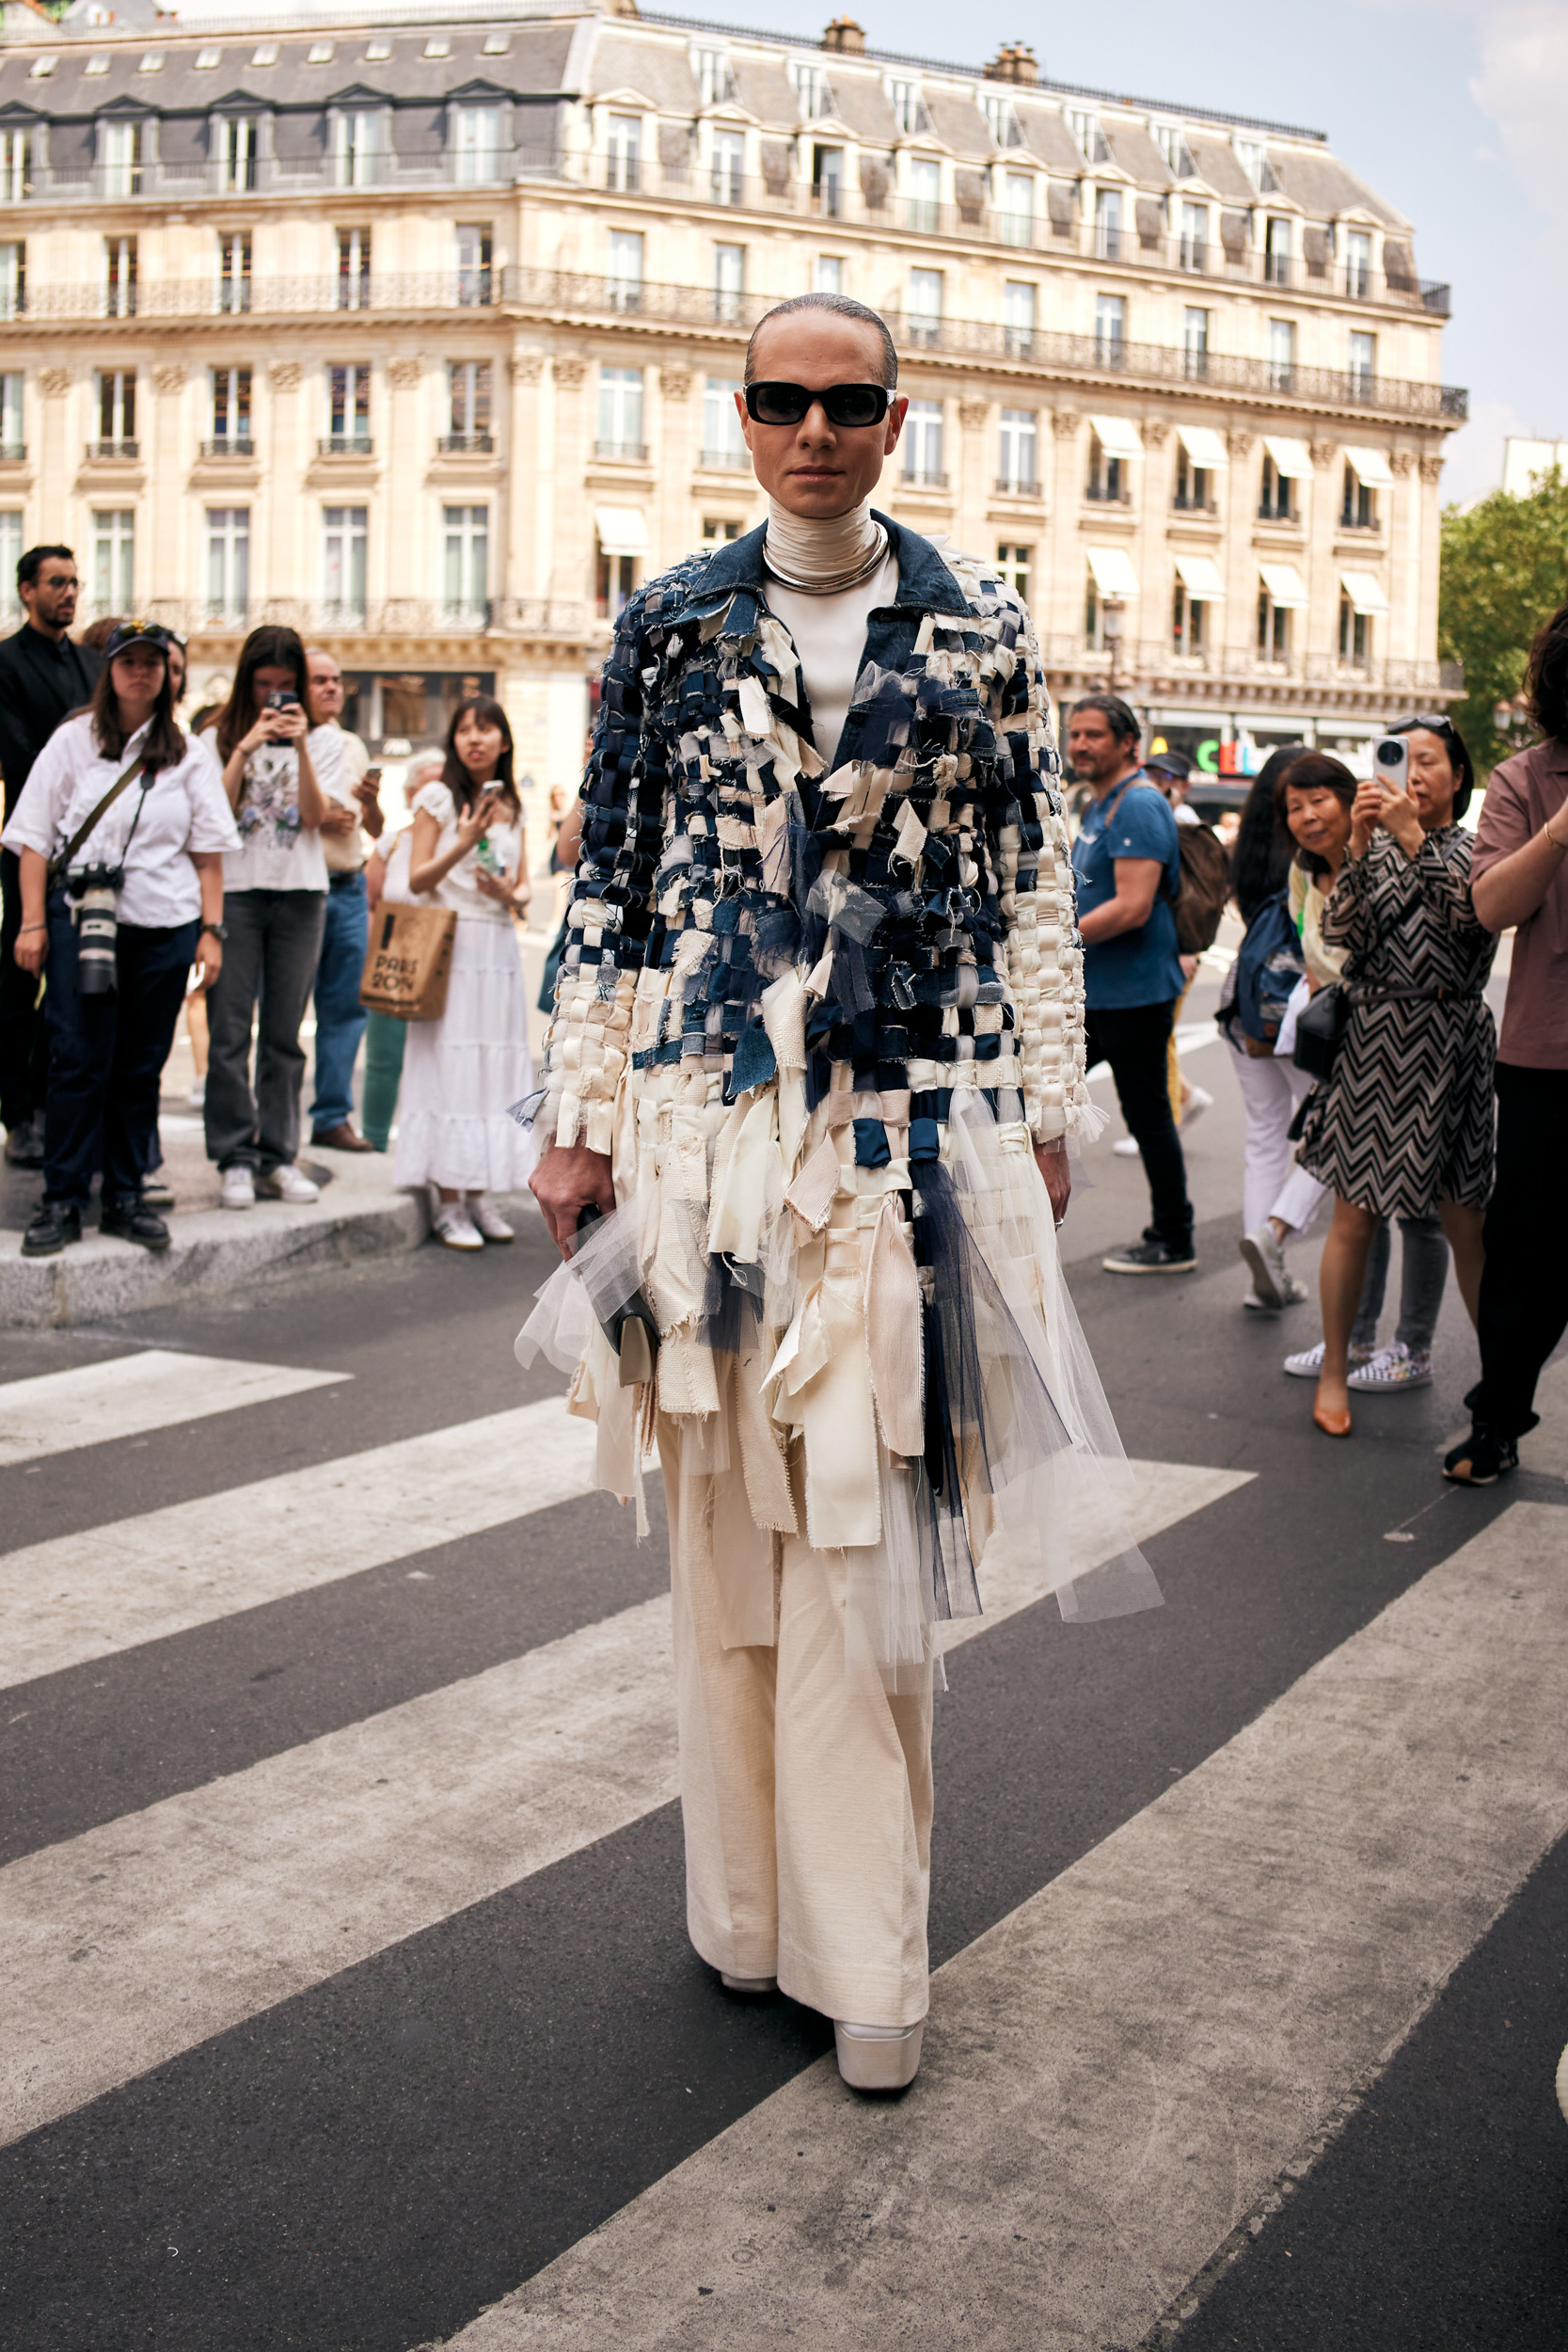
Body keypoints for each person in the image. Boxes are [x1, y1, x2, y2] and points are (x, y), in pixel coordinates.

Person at [521, 292, 1156, 2096]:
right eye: (781, 400)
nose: (814, 428)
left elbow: (1030, 882)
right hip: (703, 1131)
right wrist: (573, 1124)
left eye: (847, 401)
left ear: (898, 418)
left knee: (864, 1540)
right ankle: (744, 1918)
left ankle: (867, 1957)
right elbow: (612, 891)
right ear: (741, 418)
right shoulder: (662, 629)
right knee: (729, 1541)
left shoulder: (987, 628)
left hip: (904, 1131)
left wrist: (1040, 1103)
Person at [2, 622, 234, 1256]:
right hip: (83, 921)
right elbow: (30, 838)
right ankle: (62, 1200)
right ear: (108, 670)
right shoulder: (72, 741)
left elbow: (209, 853)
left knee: (139, 1066)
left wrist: (211, 933)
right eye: (128, 662)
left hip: (165, 926)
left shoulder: (187, 750)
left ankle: (126, 1196)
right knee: (77, 1061)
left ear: (167, 674)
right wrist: (29, 922)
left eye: (152, 663)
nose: (140, 672)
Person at [1292, 720, 1495, 1437]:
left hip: (1450, 1043)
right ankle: (1334, 1368)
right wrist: (1354, 845)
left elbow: (1472, 922)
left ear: (1457, 778)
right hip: (1376, 1044)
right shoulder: (1369, 851)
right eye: (1398, 758)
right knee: (1353, 1214)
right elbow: (1342, 933)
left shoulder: (1478, 848)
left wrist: (1410, 837)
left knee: (1463, 1220)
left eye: (1427, 760)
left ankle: (1498, 1385)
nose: (1411, 772)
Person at [1235, 754, 1452, 1380]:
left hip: (1413, 1047)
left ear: (1347, 798)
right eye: (1293, 808)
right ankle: (1353, 1342)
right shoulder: (1303, 873)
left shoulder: (1387, 856)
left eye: (1317, 801)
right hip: (1350, 1054)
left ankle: (1411, 1348)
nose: (1305, 818)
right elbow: (1318, 956)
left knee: (1417, 1207)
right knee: (1358, 1203)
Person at [1445, 611, 1568, 1483]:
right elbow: (1491, 908)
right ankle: (1496, 1417)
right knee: (1526, 1258)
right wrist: (1560, 829)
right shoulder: (1525, 779)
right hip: (1547, 1057)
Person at [201, 625, 347, 1209]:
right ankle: (235, 1156)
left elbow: (314, 818)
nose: (275, 698)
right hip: (236, 891)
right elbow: (212, 813)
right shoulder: (218, 732)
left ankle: (278, 1155)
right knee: (230, 1031)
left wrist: (302, 745)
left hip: (300, 894)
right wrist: (244, 746)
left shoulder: (326, 740)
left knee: (285, 1034)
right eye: (264, 685)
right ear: (246, 682)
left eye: (286, 687)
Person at [395, 697, 533, 1244]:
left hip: (497, 943)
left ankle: (479, 1194)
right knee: (450, 1063)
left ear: (503, 740)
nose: (474, 739)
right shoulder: (436, 796)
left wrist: (511, 892)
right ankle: (448, 1199)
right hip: (449, 942)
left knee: (491, 1069)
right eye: (464, 730)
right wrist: (463, 841)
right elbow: (417, 879)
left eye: (486, 729)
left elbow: (523, 885)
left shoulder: (515, 806)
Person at [1068, 693, 1195, 1272]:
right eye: (1075, 734)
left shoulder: (1138, 805)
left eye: (1094, 734)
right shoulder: (1102, 804)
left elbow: (1132, 907)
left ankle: (1174, 1237)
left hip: (1134, 996)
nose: (1080, 745)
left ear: (1127, 743)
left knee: (1147, 1119)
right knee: (1032, 1100)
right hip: (1103, 994)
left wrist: (1060, 939)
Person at [0, 547, 104, 1168]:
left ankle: (45, 1095)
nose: (69, 593)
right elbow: (19, 757)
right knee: (19, 977)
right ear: (26, 591)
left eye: (74, 583)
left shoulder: (94, 663)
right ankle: (17, 1115)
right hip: (31, 845)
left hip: (94, 853)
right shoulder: (5, 663)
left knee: (77, 980)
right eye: (57, 583)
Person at [305, 647, 383, 1152]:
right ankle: (269, 1125)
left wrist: (372, 806)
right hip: (302, 888)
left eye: (336, 679)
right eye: (320, 680)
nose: (332, 687)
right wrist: (314, 817)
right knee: (283, 1011)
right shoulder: (290, 743)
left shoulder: (352, 744)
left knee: (346, 1008)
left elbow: (373, 828)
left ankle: (331, 1117)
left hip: (349, 885)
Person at [360, 750, 444, 1152]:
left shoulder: (458, 844)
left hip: (442, 957)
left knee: (440, 1056)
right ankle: (374, 1139)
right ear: (411, 793)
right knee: (384, 1055)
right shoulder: (391, 843)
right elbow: (372, 901)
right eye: (429, 784)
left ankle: (432, 1147)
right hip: (395, 954)